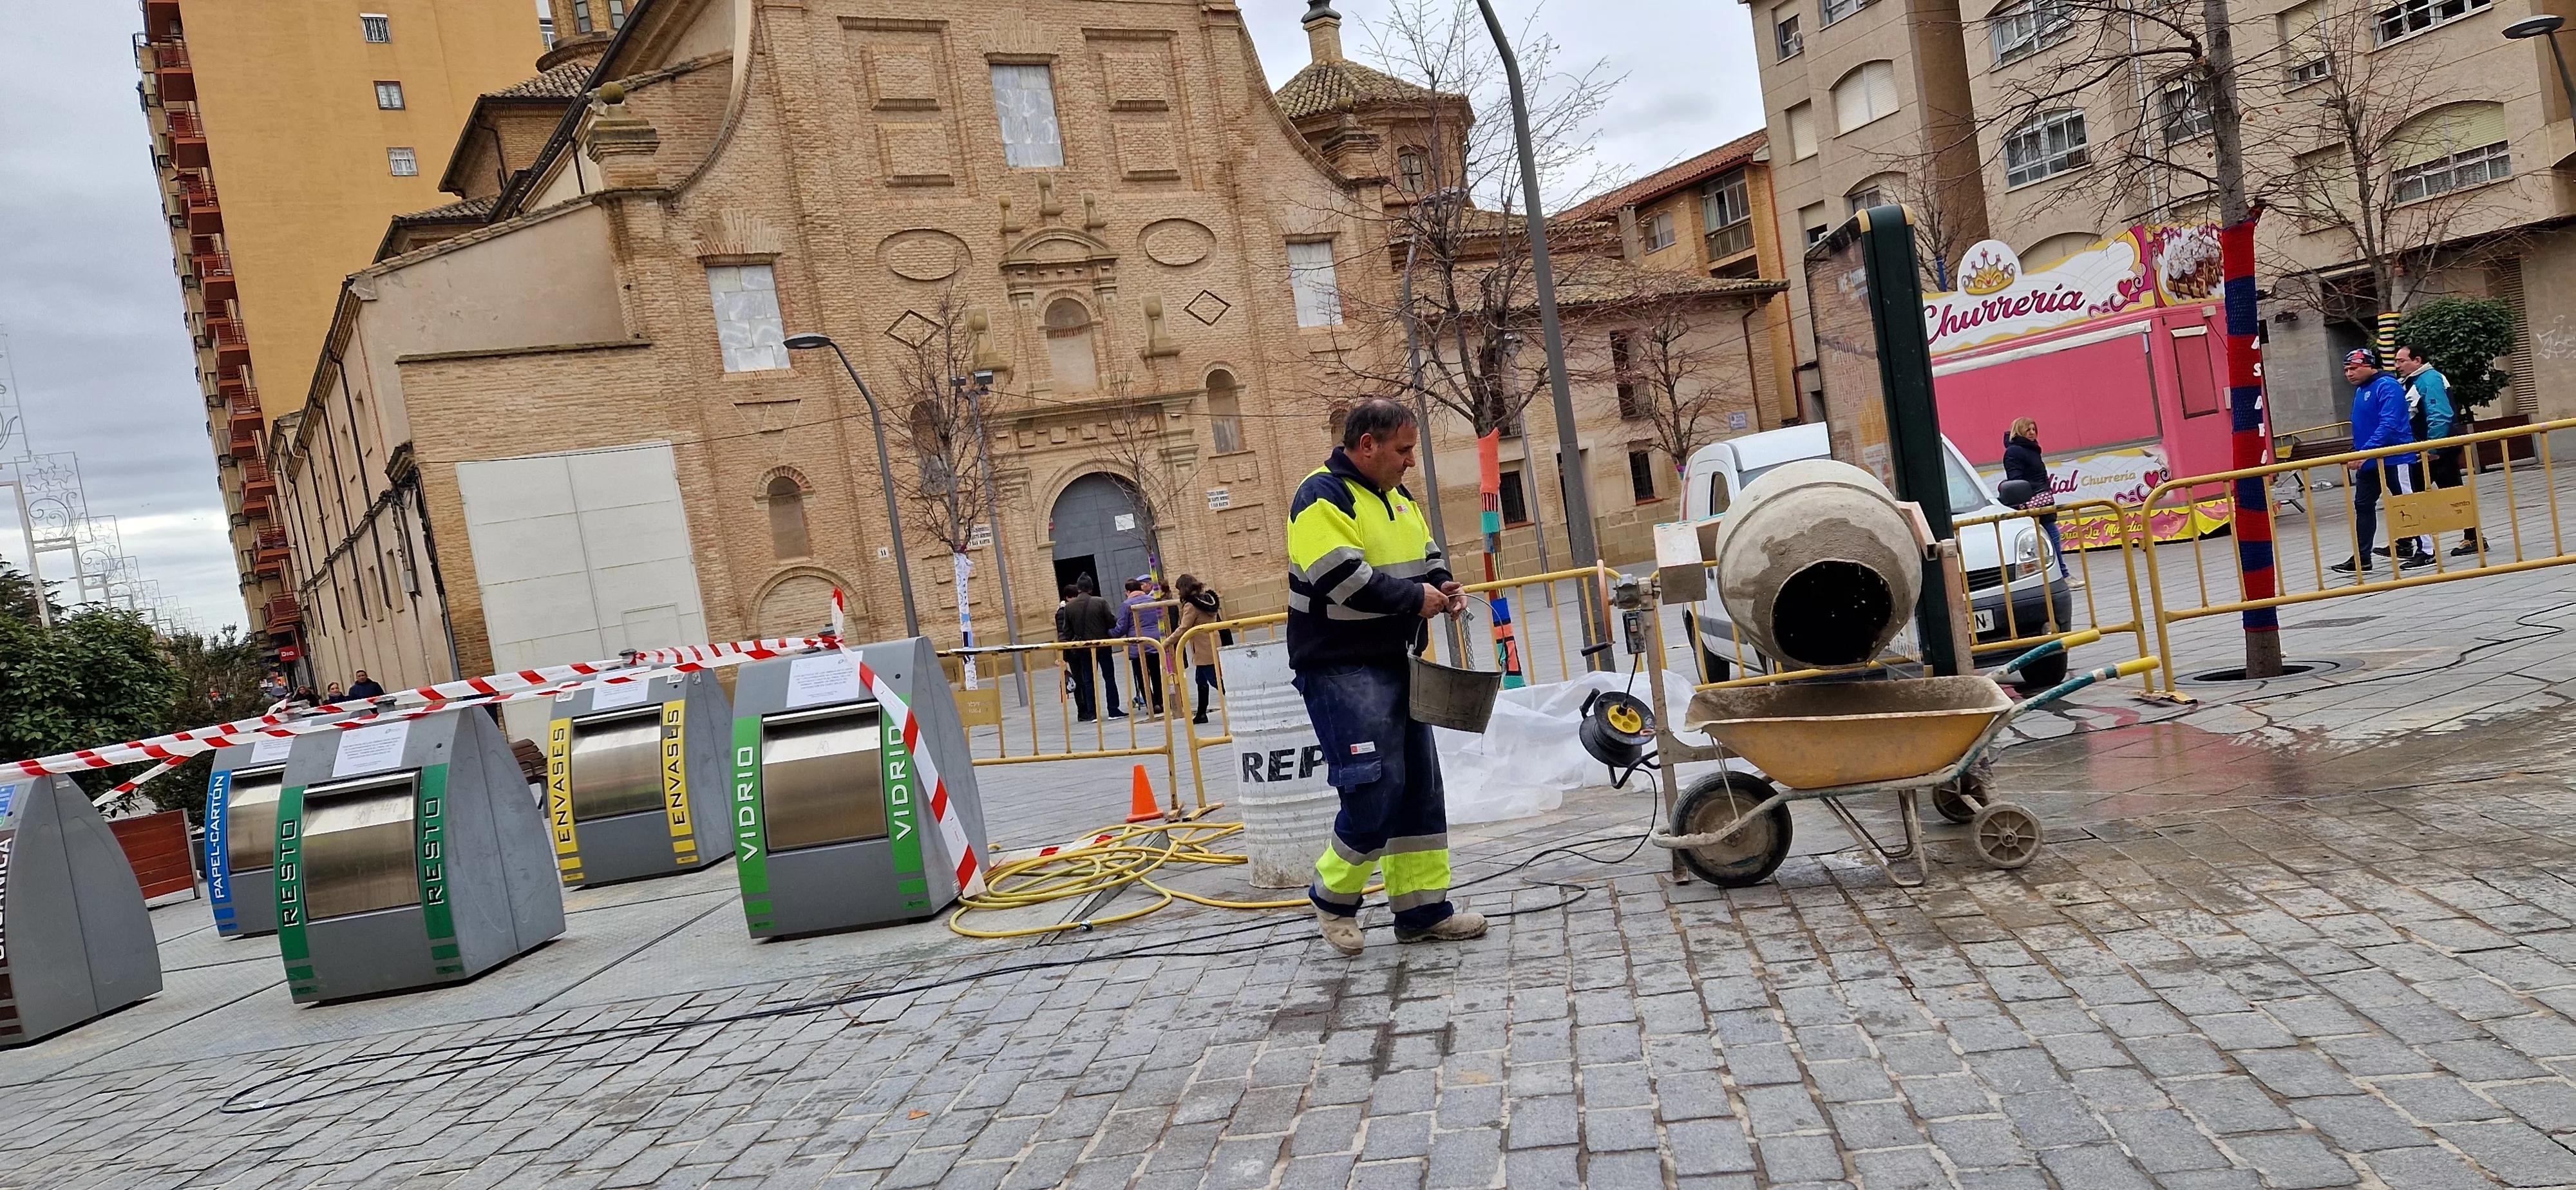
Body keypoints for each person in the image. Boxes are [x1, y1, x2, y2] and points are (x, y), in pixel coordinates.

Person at [1287, 397, 1482, 955]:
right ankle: (1333, 898)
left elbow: (1426, 551)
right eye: (1403, 450)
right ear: (1367, 445)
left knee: (1420, 787)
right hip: (1340, 665)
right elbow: (1341, 579)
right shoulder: (1320, 496)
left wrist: (1443, 585)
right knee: (1377, 786)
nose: (1411, 462)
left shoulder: (1397, 497)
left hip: (1397, 660)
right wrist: (1414, 598)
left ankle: (1422, 910)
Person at [2333, 348, 2429, 577]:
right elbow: (2364, 426)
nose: (2349, 374)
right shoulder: (2362, 389)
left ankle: (2427, 549)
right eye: (2346, 369)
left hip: (2395, 458)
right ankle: (2362, 558)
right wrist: (2360, 452)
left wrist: (2363, 452)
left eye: (2354, 368)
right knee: (2363, 506)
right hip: (2369, 459)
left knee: (2407, 502)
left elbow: (2389, 424)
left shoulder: (2387, 386)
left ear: (2369, 366)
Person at [2393, 342, 2475, 558]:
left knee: (2448, 492)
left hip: (2438, 448)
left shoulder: (2430, 379)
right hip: (2427, 448)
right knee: (2421, 491)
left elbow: (2439, 414)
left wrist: (2433, 447)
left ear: (2417, 361)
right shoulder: (2414, 381)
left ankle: (2473, 538)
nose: (2397, 365)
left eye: (2402, 361)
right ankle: (2406, 540)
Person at [2001, 417, 2066, 578]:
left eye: (2034, 429)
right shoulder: (2016, 451)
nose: (2032, 433)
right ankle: (2062, 575)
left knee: (2050, 537)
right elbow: (2016, 478)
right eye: (2028, 429)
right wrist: (2027, 496)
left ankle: (2059, 575)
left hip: (2040, 499)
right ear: (2019, 431)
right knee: (2051, 536)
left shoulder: (2031, 449)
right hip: (2033, 501)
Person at [1053, 576, 1124, 722]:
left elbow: (1066, 631)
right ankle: (1113, 710)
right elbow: (1111, 622)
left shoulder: (1070, 607)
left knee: (1088, 680)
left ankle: (1092, 713)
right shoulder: (1100, 602)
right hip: (1103, 646)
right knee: (1109, 677)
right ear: (1091, 588)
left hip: (1083, 649)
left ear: (1079, 589)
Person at [1168, 574, 1224, 724]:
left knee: (1216, 681)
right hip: (1213, 642)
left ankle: (1240, 705)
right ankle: (1201, 713)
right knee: (1201, 680)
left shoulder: (1191, 605)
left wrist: (1166, 643)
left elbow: (1184, 627)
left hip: (1202, 648)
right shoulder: (1208, 600)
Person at [1113, 578, 1167, 716]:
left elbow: (1121, 627)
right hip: (1155, 642)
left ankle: (1152, 703)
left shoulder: (1126, 605)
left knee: (1142, 676)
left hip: (1138, 645)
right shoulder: (1152, 601)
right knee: (1156, 674)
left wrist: (1109, 633)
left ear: (1128, 591)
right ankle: (1161, 701)